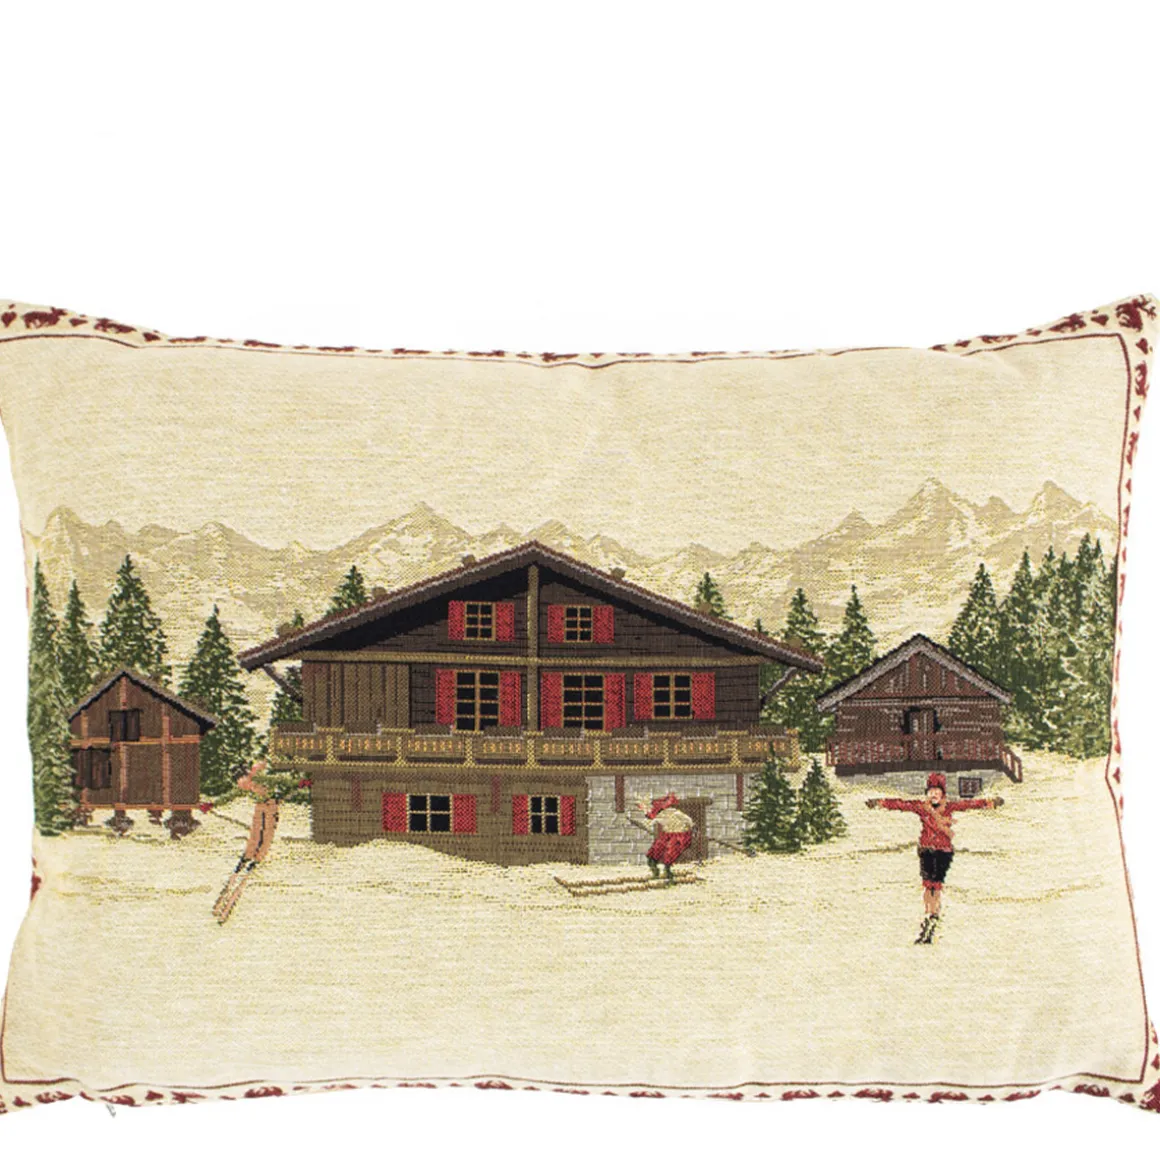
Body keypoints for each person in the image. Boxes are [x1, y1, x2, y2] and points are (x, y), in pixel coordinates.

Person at [867, 772, 1003, 944]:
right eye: (930, 792)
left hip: (943, 851)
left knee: (936, 885)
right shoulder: (922, 807)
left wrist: (989, 802)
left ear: (942, 794)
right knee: (927, 884)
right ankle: (929, 915)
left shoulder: (949, 807)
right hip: (926, 850)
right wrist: (879, 802)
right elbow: (901, 804)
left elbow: (968, 804)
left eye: (936, 792)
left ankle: (934, 916)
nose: (933, 795)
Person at [635, 792, 694, 882]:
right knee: (653, 853)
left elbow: (689, 821)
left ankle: (668, 874)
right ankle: (655, 872)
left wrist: (686, 827)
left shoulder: (676, 813)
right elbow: (650, 823)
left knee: (669, 854)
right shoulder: (660, 815)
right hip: (666, 835)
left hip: (677, 836)